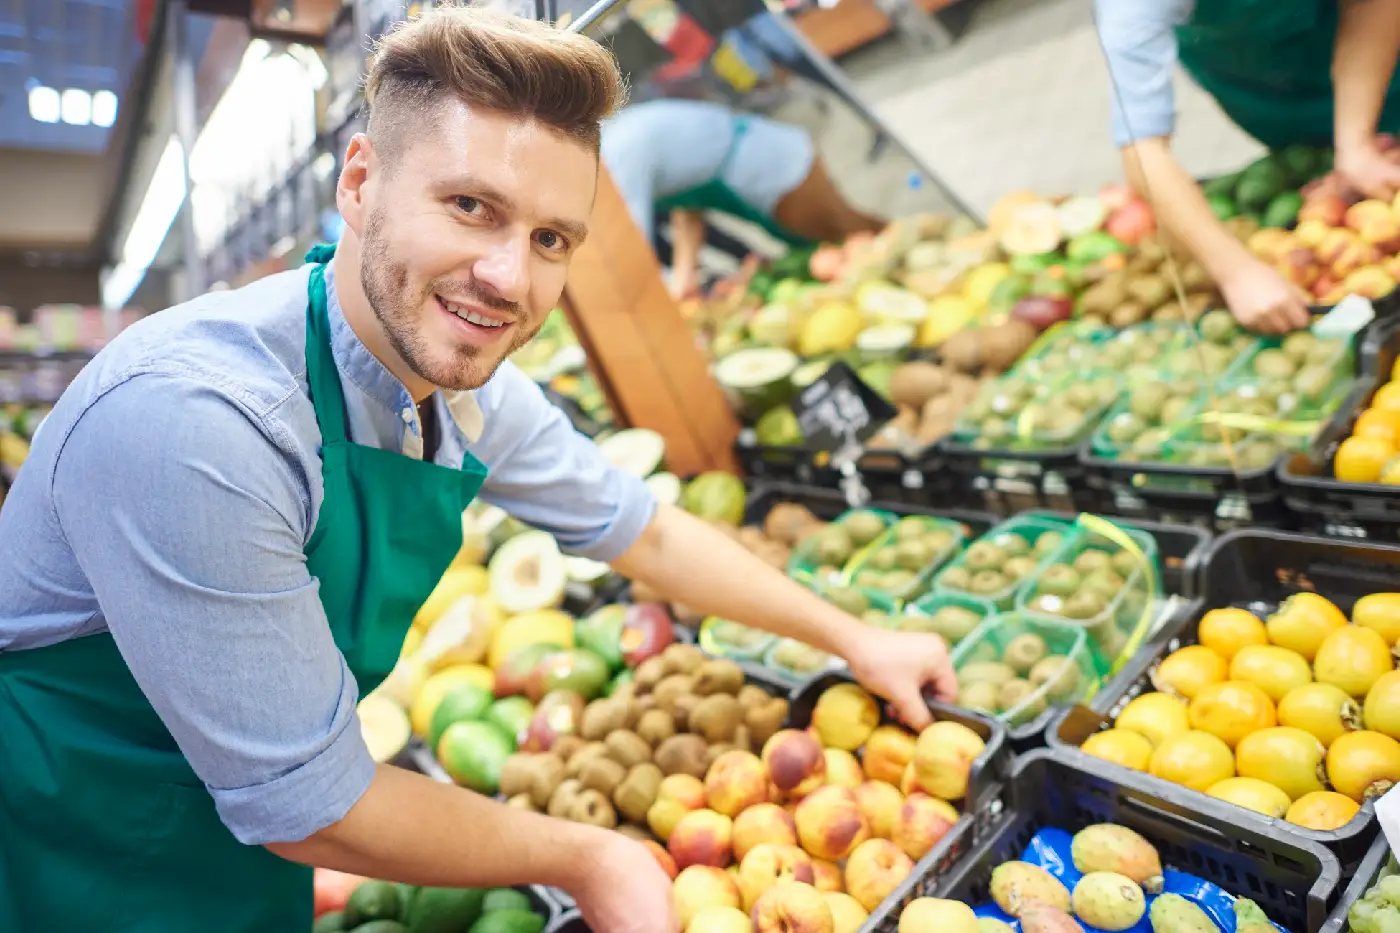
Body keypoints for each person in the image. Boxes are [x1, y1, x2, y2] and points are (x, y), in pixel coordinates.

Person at [0, 9, 955, 932]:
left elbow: (642, 528)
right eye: (470, 206)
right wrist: (588, 854)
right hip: (66, 850)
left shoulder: (454, 384)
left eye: (550, 239)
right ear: (361, 181)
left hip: (229, 836)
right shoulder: (200, 424)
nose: (509, 277)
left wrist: (854, 635)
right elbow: (310, 807)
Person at [1095, 0, 1400, 333]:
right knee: (1308, 161)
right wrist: (1237, 272)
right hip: (1261, 82)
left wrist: (1355, 143)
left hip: (1375, 49)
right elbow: (1143, 150)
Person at [601, 97, 886, 298]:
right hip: (770, 178)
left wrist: (670, 289)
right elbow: (687, 210)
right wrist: (683, 278)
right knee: (841, 255)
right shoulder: (619, 140)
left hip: (780, 171)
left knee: (863, 247)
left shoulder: (617, 154)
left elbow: (632, 252)